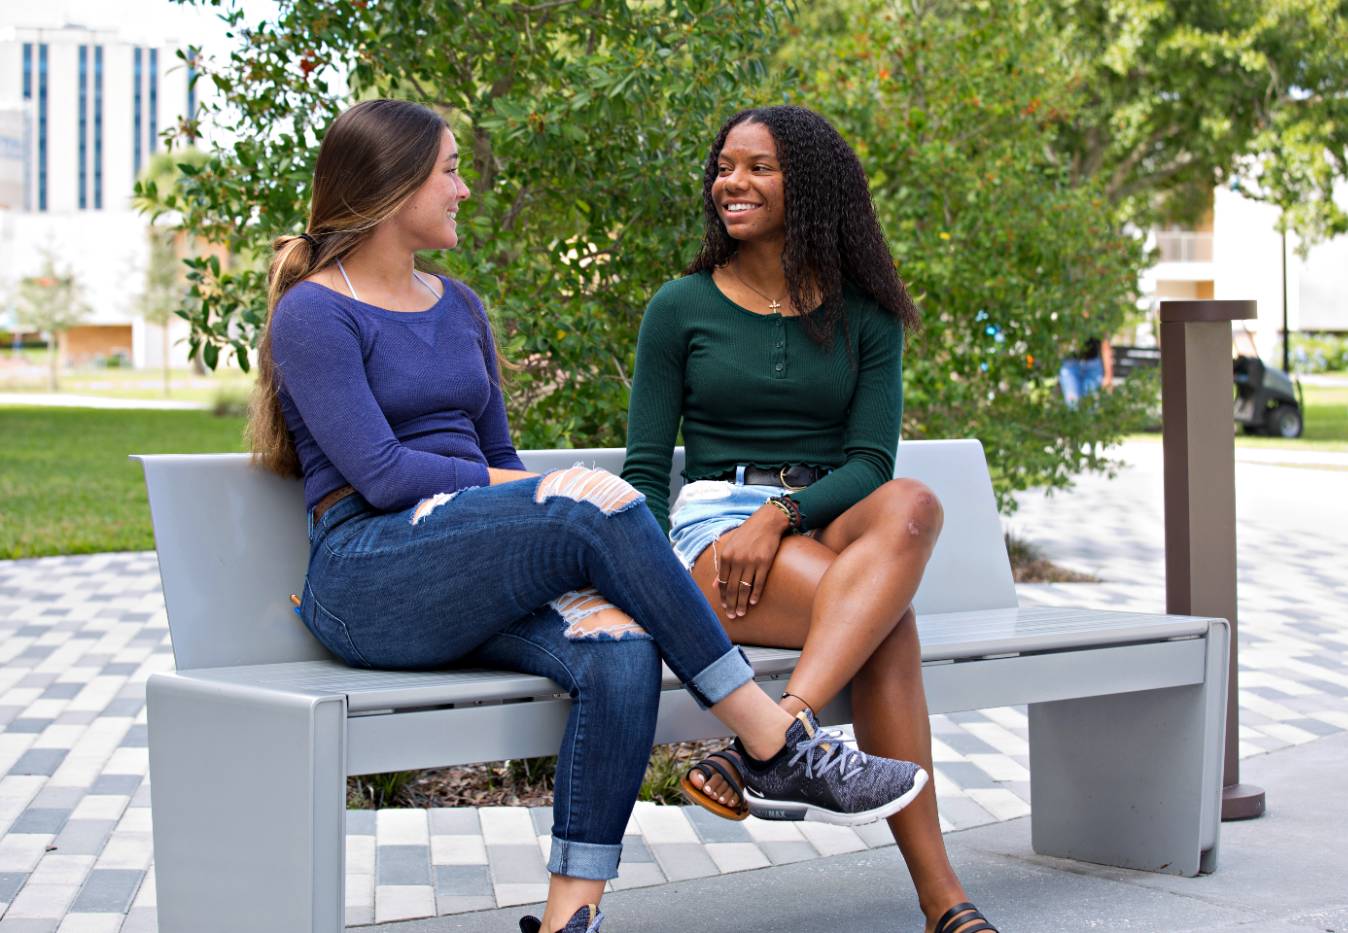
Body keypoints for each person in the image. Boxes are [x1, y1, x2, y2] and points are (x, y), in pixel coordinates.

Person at [252, 99, 930, 933]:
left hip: (469, 571)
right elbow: (384, 475)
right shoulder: (316, 311)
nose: (464, 189)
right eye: (450, 171)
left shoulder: (457, 305)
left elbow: (497, 453)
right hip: (368, 574)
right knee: (586, 500)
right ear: (393, 189)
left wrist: (532, 492)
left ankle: (571, 917)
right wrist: (539, 492)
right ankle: (774, 741)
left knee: (620, 646)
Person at [621, 106, 1000, 933]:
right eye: (725, 166)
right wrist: (645, 582)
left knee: (914, 504)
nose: (733, 183)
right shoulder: (679, 308)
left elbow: (872, 463)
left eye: (759, 167)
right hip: (716, 534)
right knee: (888, 629)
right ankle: (944, 901)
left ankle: (773, 736)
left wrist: (784, 512)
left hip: (823, 517)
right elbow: (647, 472)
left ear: (813, 187)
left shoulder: (866, 313)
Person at [1059, 335, 1114, 407]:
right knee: (1072, 406)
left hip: (1092, 365)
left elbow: (1105, 342)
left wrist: (1108, 375)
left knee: (1090, 407)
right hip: (1069, 365)